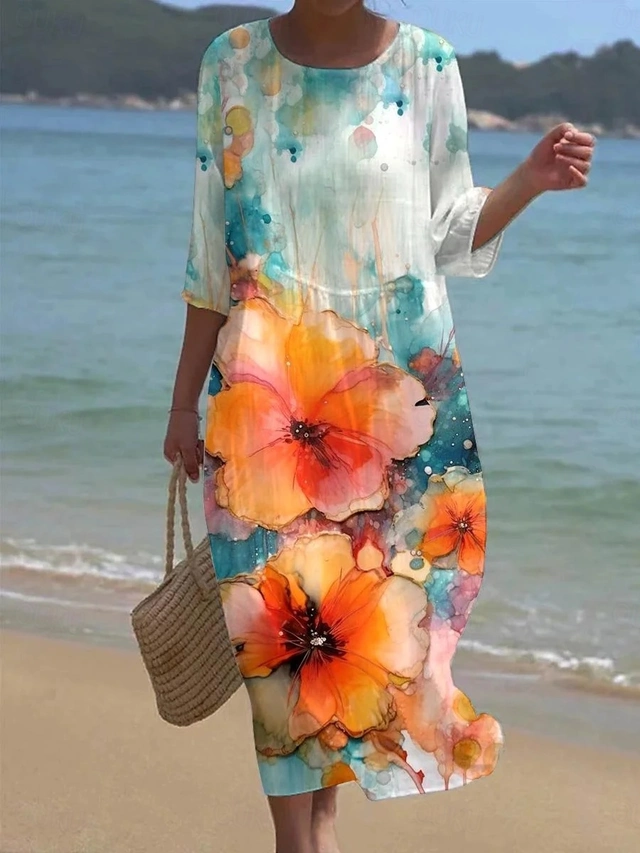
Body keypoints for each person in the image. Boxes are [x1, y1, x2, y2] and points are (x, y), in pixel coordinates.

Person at [164, 2, 595, 851]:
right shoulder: (232, 62)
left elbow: (447, 230)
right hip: (262, 415)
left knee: (353, 653)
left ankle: (316, 834)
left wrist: (528, 182)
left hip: (393, 423)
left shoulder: (426, 65)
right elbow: (210, 254)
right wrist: (183, 401)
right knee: (280, 647)